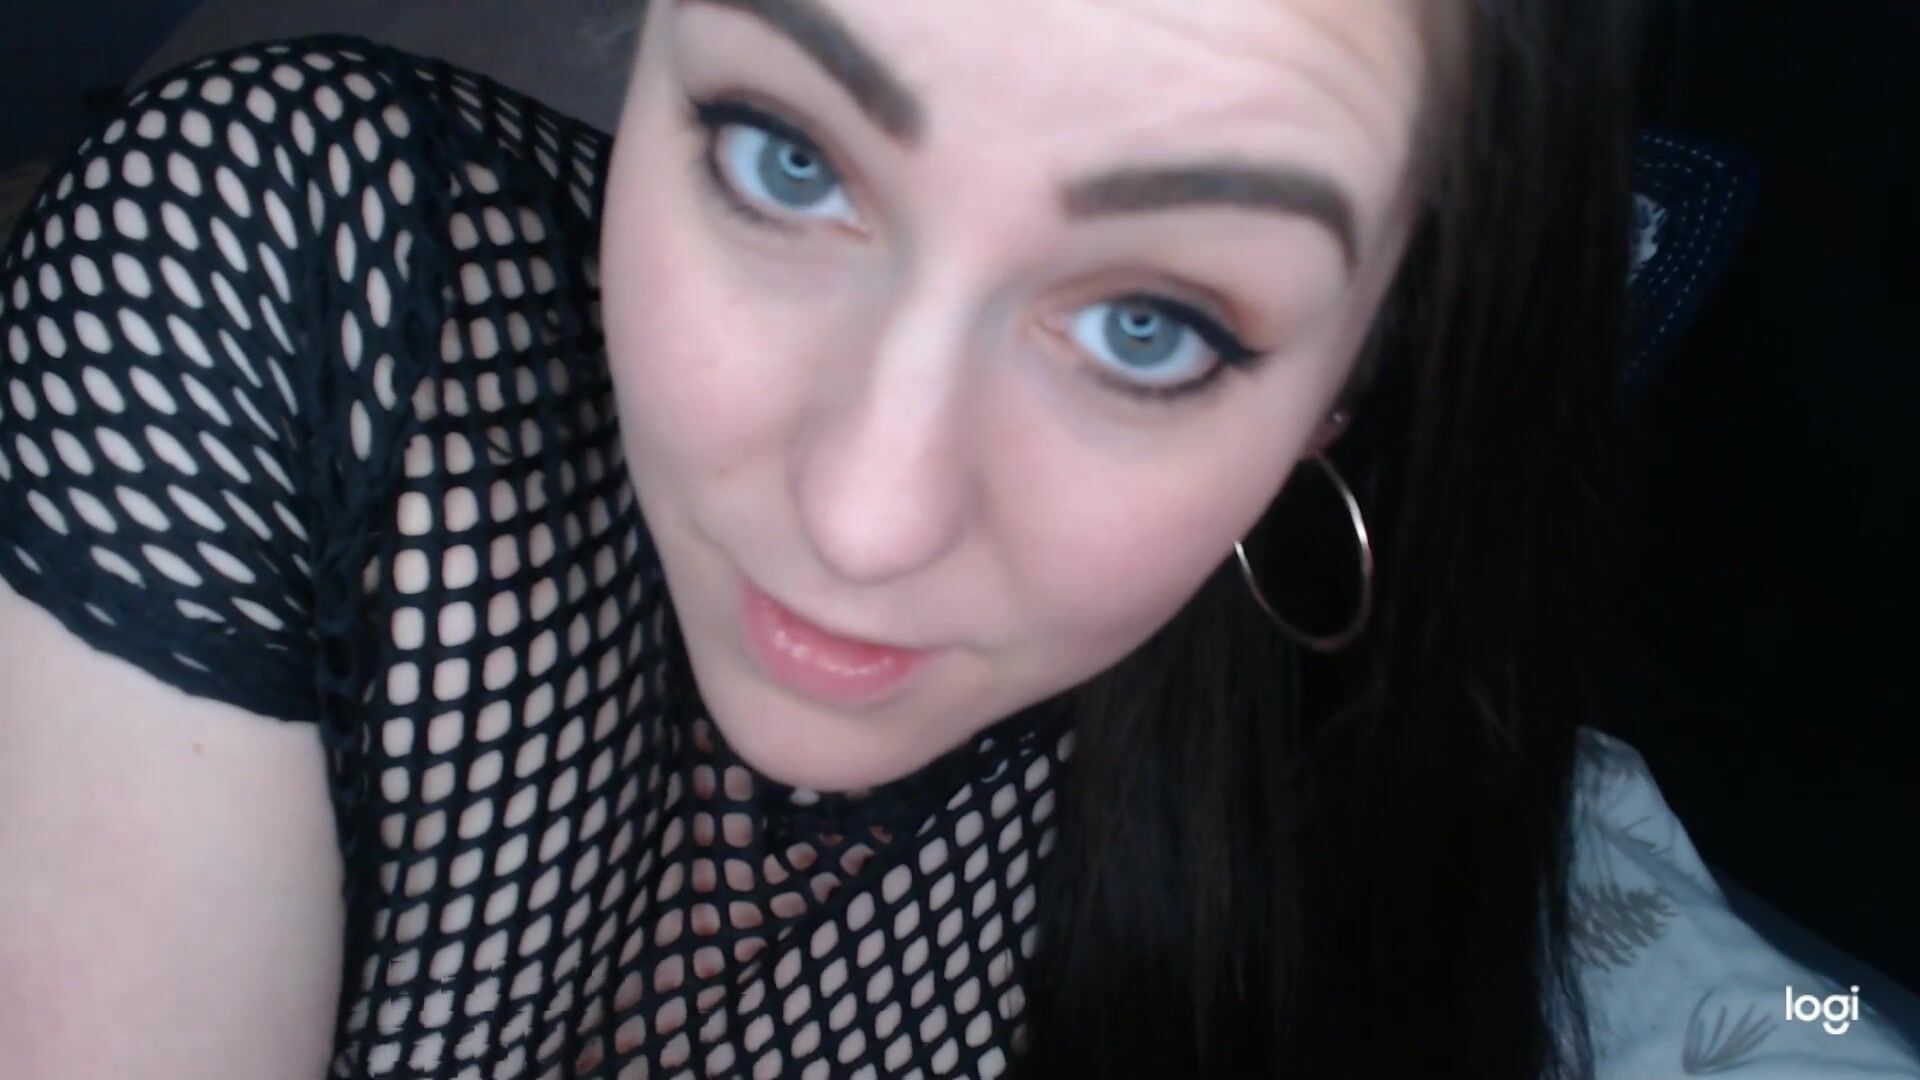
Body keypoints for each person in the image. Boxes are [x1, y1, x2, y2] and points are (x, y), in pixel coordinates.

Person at [3, 1, 1918, 1078]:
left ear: (1341, 386)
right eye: (787, 157)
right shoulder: (276, 273)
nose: (863, 517)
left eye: (1151, 324)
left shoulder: (1327, 827)